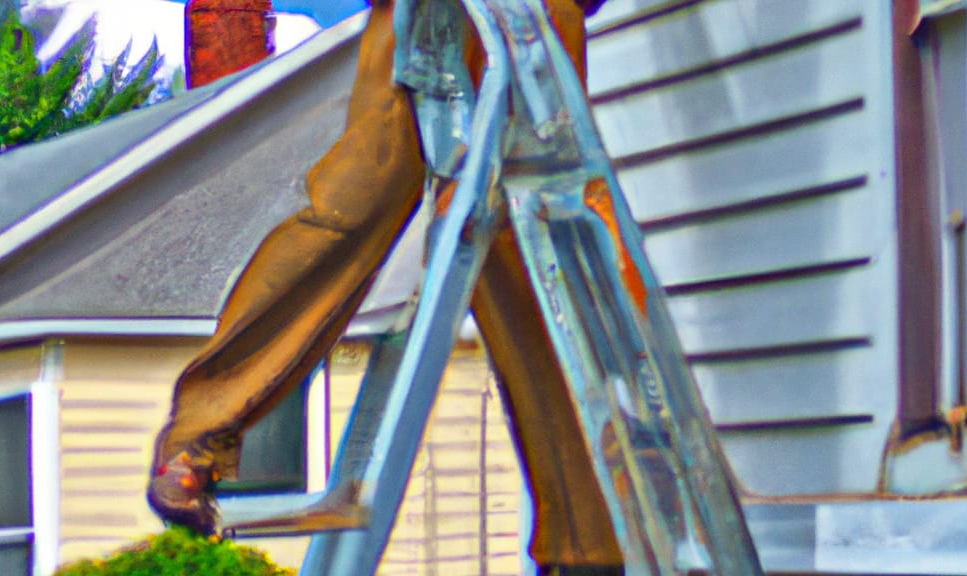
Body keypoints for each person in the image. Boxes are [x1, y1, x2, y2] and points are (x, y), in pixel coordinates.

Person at [147, 0, 625, 573]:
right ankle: (200, 431)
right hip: (426, 16)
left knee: (526, 258)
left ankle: (585, 546)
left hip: (530, 18)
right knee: (353, 205)